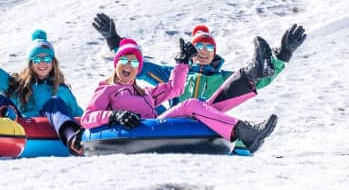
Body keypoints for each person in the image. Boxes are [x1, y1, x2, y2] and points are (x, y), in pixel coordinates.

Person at [80, 37, 278, 153]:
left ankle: (253, 73)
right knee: (191, 105)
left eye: (134, 63)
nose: (129, 66)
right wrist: (114, 116)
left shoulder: (144, 93)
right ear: (116, 63)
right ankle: (243, 131)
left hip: (152, 127)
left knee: (207, 107)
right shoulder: (106, 89)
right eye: (125, 60)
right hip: (133, 132)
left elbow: (175, 89)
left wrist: (182, 63)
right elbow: (88, 118)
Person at [92, 13, 307, 114]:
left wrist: (284, 56)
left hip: (210, 121)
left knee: (245, 81)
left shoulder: (223, 78)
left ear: (215, 52)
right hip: (176, 123)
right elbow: (135, 66)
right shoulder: (173, 74)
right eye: (199, 48)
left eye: (208, 48)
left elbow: (261, 81)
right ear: (192, 52)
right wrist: (114, 40)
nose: (204, 52)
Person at [0, 8, 85, 155]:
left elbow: (80, 116)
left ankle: (72, 139)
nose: (42, 63)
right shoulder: (18, 85)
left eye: (46, 59)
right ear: (30, 63)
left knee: (54, 102)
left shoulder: (61, 91)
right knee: (1, 100)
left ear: (53, 62)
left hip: (52, 132)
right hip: (19, 127)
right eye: (37, 59)